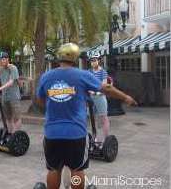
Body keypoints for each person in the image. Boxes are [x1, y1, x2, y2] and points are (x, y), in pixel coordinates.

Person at [36, 43, 137, 189]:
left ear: (59, 58)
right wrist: (126, 97)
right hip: (76, 133)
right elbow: (107, 88)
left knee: (53, 168)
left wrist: (54, 107)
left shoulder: (46, 76)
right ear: (75, 58)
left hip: (52, 133)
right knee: (77, 169)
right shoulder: (82, 75)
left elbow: (39, 100)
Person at [0, 51, 22, 138]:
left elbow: (11, 82)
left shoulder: (13, 68)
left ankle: (15, 136)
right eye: (0, 59)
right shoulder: (0, 70)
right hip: (4, 98)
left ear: (7, 59)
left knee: (16, 117)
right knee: (8, 118)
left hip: (14, 97)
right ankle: (10, 135)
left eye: (3, 59)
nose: (2, 61)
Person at [89, 52, 109, 145]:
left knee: (103, 118)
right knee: (93, 119)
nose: (93, 62)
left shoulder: (103, 72)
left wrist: (96, 92)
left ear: (99, 61)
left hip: (100, 97)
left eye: (95, 60)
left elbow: (103, 86)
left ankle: (106, 140)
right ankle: (95, 138)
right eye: (91, 61)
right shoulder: (89, 72)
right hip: (91, 98)